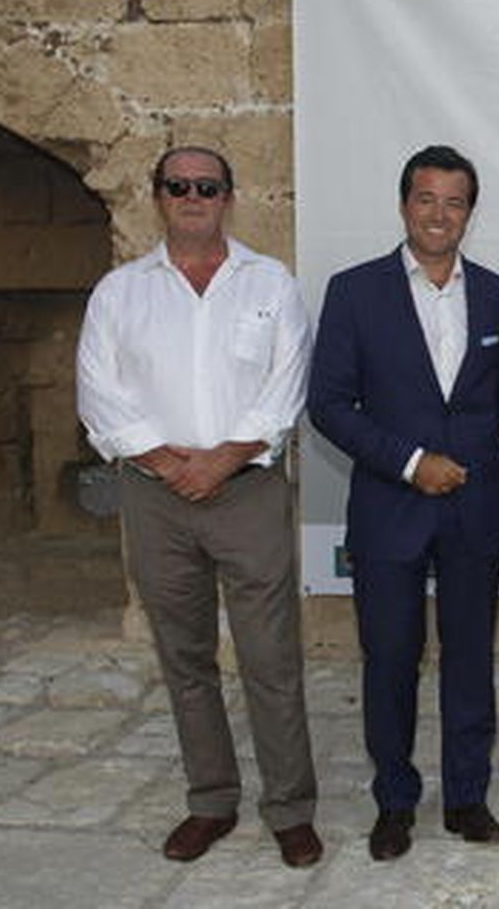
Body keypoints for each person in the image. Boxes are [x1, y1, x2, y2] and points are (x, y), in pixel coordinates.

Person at [76, 146, 321, 868]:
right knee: (184, 656)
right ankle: (211, 801)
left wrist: (221, 458)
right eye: (177, 186)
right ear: (157, 197)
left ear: (229, 198)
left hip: (246, 489)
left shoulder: (269, 283)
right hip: (155, 497)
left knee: (271, 658)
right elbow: (99, 391)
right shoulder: (120, 293)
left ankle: (291, 809)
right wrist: (164, 460)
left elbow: (288, 382)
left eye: (206, 187)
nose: (192, 197)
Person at [306, 145, 499, 860]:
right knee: (390, 658)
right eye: (426, 199)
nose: (439, 214)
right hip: (390, 508)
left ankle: (467, 798)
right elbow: (329, 405)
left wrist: (461, 459)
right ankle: (394, 801)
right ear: (404, 206)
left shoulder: (497, 295)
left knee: (470, 659)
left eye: (454, 202)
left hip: (476, 505)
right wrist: (412, 461)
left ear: (469, 213)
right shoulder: (354, 292)